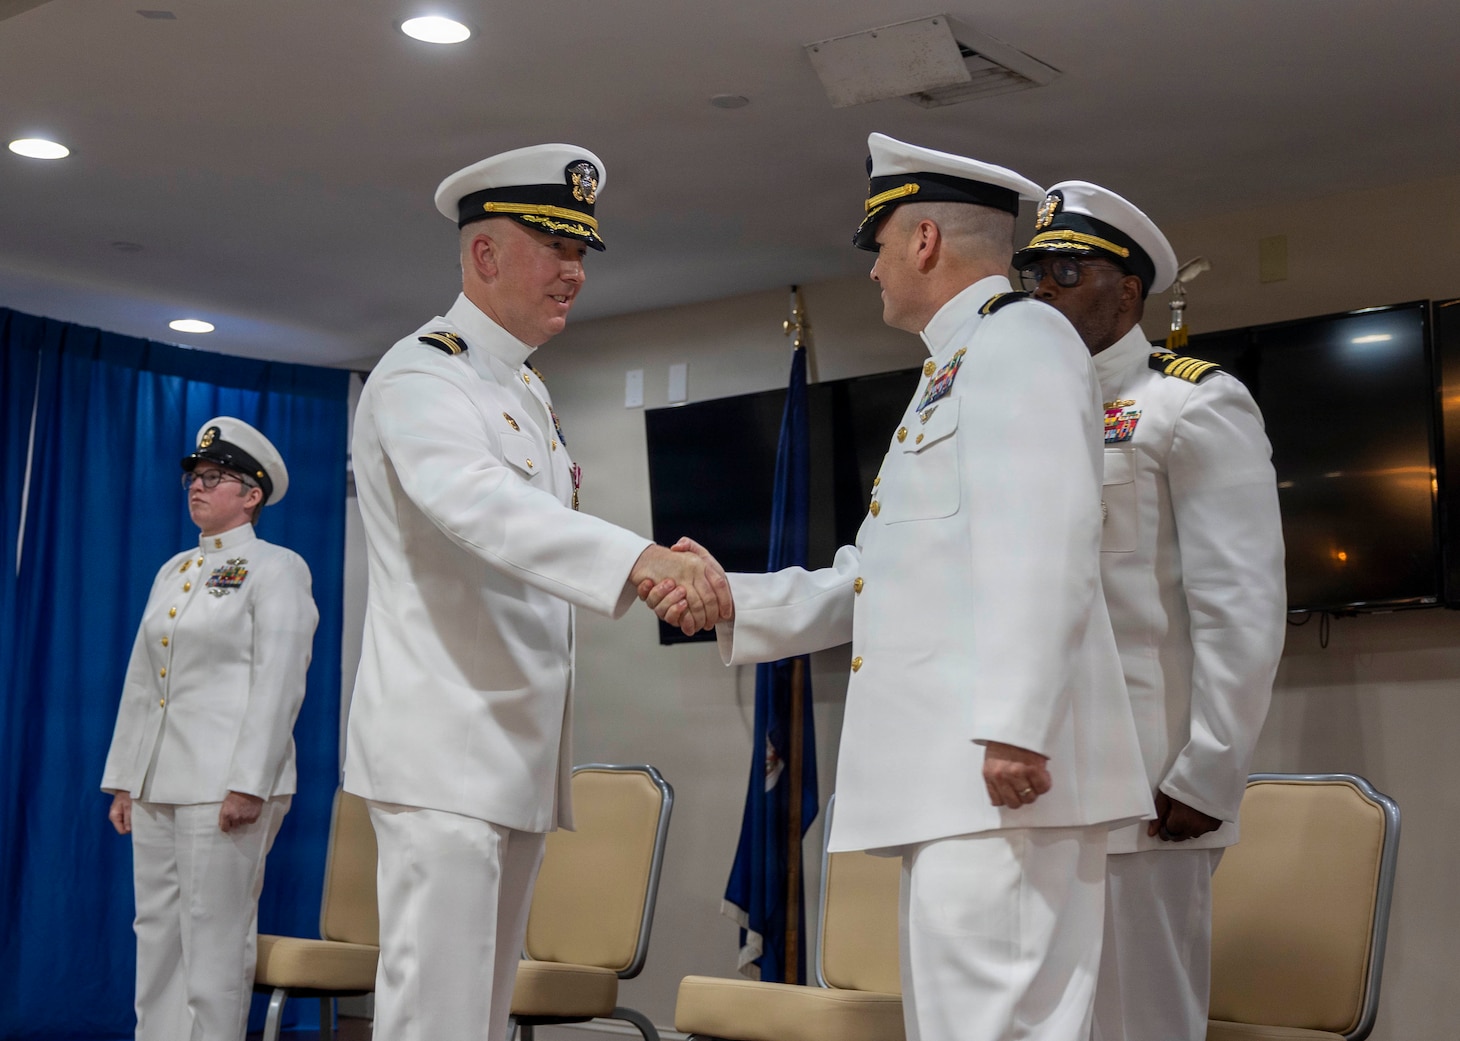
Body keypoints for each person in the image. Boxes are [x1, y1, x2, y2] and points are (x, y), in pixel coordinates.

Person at [648, 133, 1151, 1041]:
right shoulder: (951, 371)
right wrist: (738, 599)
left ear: (923, 240)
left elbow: (1051, 536)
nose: (874, 269)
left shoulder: (1023, 339)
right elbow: (883, 574)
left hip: (999, 780)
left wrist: (1017, 726)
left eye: (878, 244)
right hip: (963, 786)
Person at [343, 143, 730, 1041]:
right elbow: (483, 508)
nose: (574, 273)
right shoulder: (419, 375)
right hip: (443, 750)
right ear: (484, 255)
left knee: (477, 1015)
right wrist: (640, 561)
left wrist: (648, 563)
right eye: (555, 247)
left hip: (508, 750)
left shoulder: (523, 388)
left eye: (583, 253)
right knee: (433, 1013)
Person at [1012, 182, 1286, 1041]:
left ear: (1127, 293)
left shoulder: (1191, 404)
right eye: (1033, 276)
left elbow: (1242, 602)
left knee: (1143, 1023)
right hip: (1033, 784)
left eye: (1066, 271)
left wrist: (1207, 769)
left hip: (1147, 793)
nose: (1044, 293)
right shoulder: (1020, 414)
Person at [101, 417, 317, 1041]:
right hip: (159, 781)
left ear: (252, 494)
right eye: (194, 478)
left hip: (226, 782)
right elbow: (144, 682)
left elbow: (280, 683)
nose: (197, 487)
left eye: (214, 478)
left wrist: (250, 782)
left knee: (215, 940)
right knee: (158, 936)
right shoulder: (174, 569)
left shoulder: (277, 568)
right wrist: (124, 779)